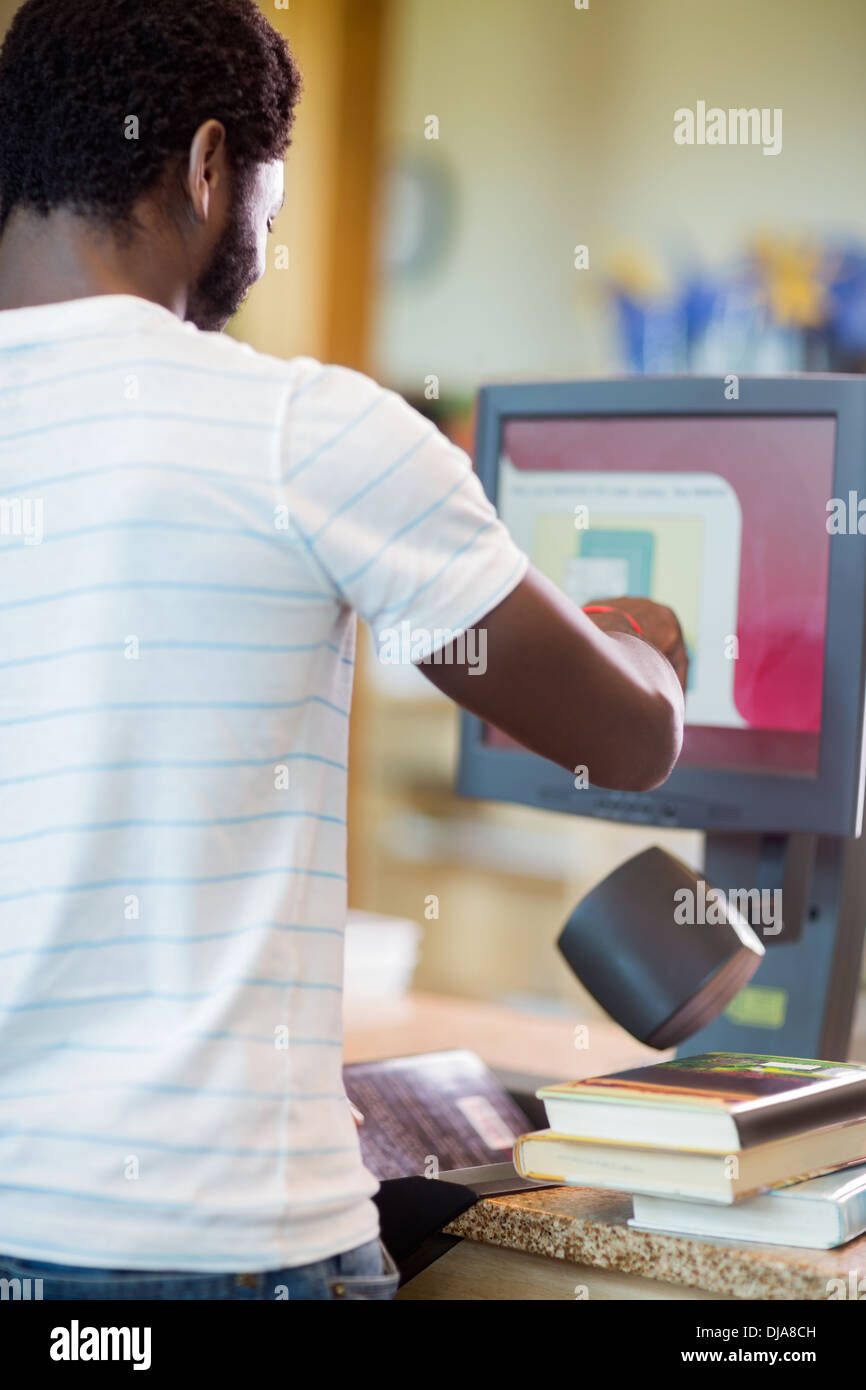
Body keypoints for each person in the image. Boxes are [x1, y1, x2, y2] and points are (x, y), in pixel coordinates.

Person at [0, 0, 686, 1300]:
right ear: (209, 166)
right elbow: (626, 737)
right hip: (214, 1248)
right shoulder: (296, 427)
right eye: (268, 188)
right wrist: (648, 646)